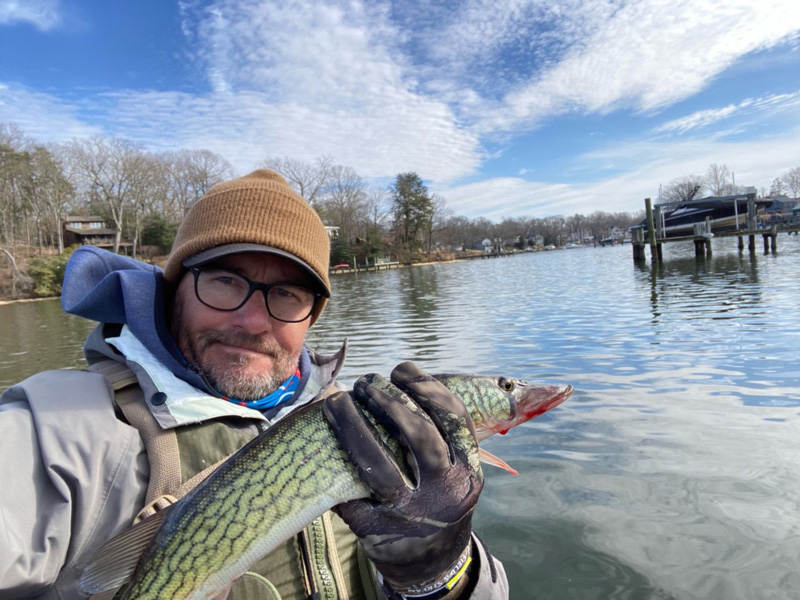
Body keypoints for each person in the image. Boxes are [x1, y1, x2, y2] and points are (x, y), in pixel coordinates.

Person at [0, 169, 509, 600]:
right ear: (176, 287)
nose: (251, 321)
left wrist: (439, 575)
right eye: (225, 280)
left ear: (311, 317)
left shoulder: (367, 424)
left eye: (286, 293)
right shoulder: (53, 431)